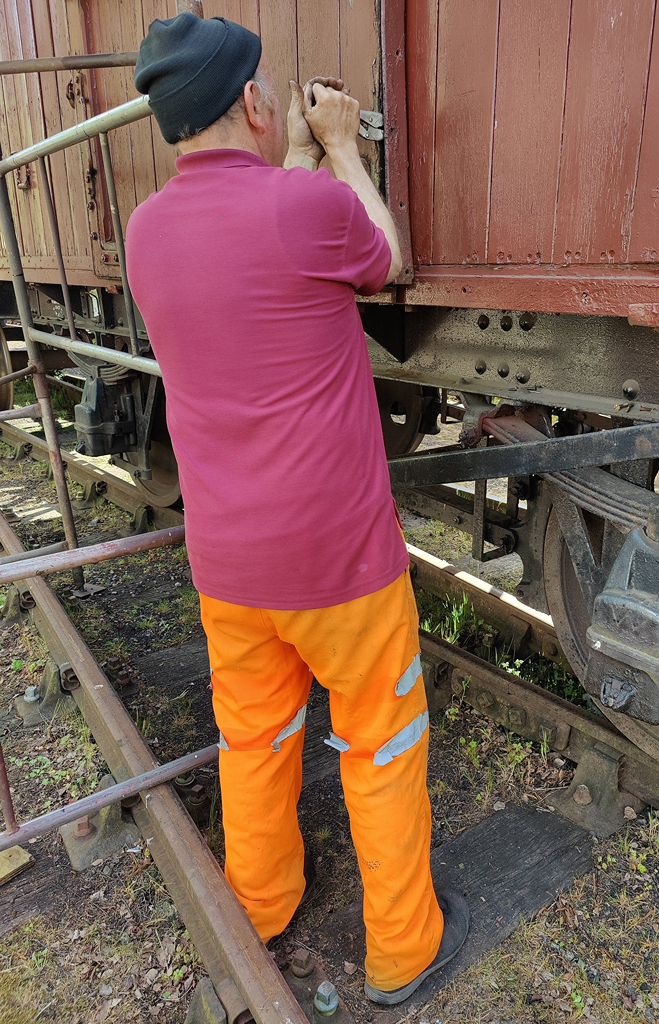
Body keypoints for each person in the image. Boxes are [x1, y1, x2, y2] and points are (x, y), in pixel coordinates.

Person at [125, 12, 469, 1007]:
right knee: (382, 743)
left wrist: (302, 159)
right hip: (340, 566)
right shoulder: (302, 206)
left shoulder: (147, 232)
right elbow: (383, 256)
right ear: (251, 101)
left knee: (256, 740)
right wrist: (344, 147)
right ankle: (401, 950)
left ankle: (262, 907)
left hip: (230, 569)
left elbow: (263, 242)